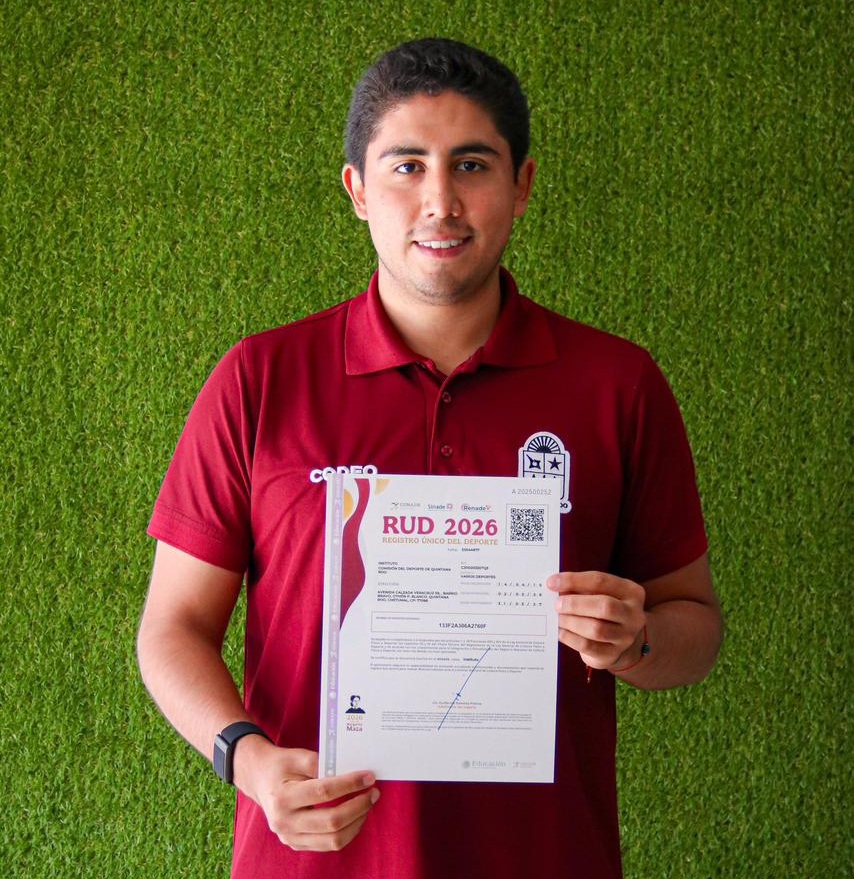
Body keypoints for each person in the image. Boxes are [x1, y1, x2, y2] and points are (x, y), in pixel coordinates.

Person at [137, 37, 722, 879]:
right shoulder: (260, 379)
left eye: (472, 165)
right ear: (357, 190)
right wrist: (250, 760)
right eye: (407, 166)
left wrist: (635, 642)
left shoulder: (616, 383)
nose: (440, 201)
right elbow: (172, 628)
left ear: (522, 186)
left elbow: (694, 627)